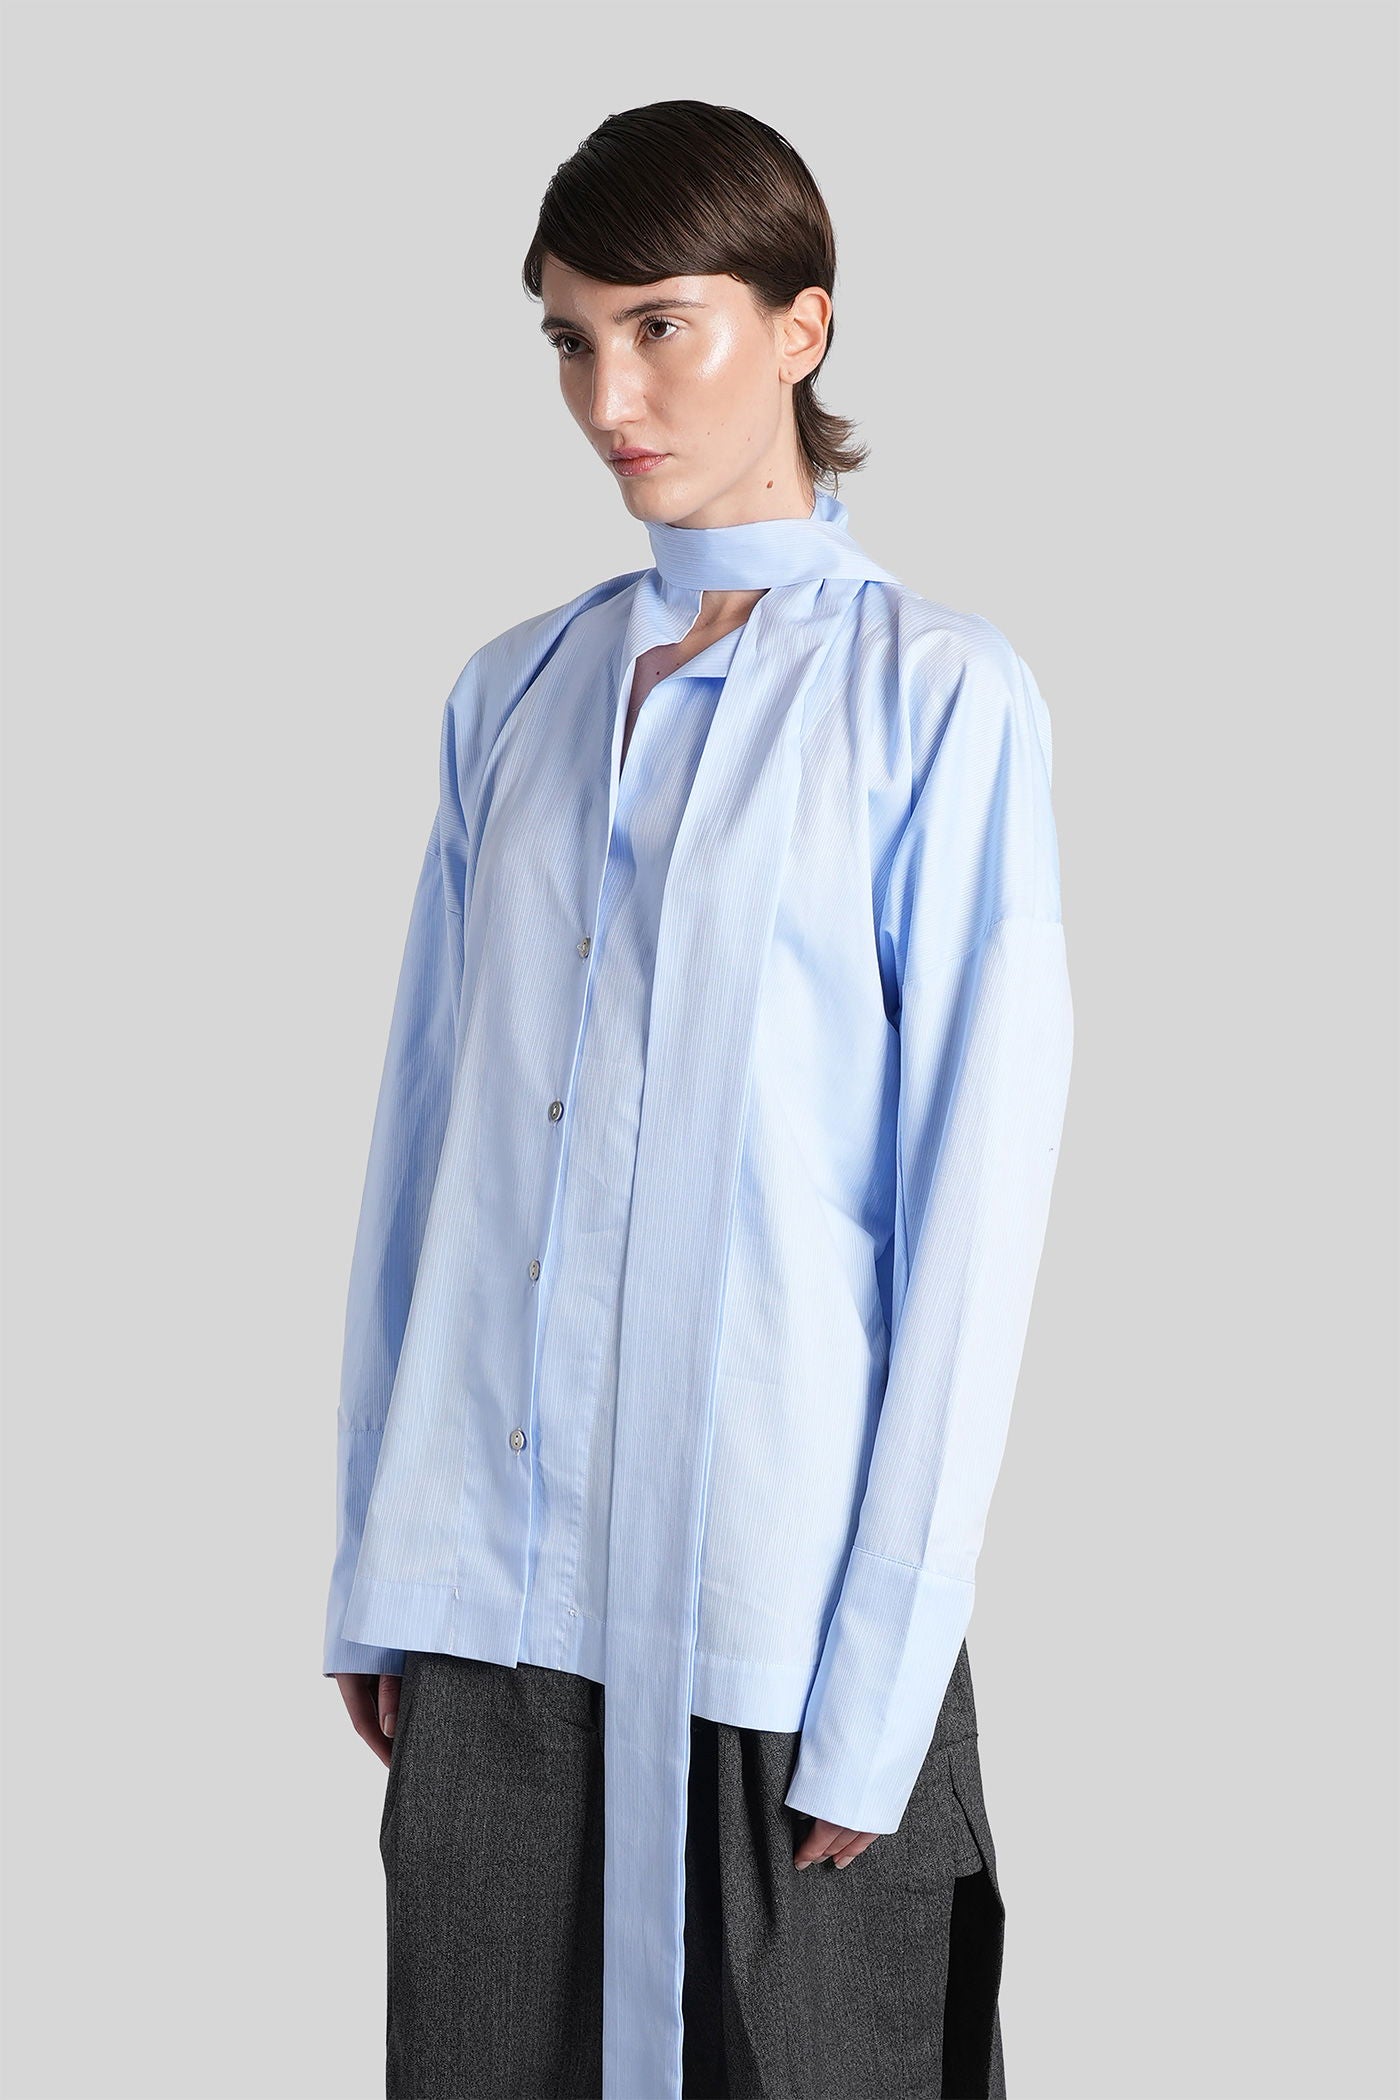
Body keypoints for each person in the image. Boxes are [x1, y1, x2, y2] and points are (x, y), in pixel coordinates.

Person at [324, 97, 1073, 2100]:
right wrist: (378, 1558)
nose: (608, 396)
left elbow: (970, 1215)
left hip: (776, 1618)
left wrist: (883, 1672)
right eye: (571, 340)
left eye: (661, 326)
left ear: (801, 327)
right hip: (487, 1607)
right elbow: (426, 1153)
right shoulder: (515, 692)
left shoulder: (935, 697)